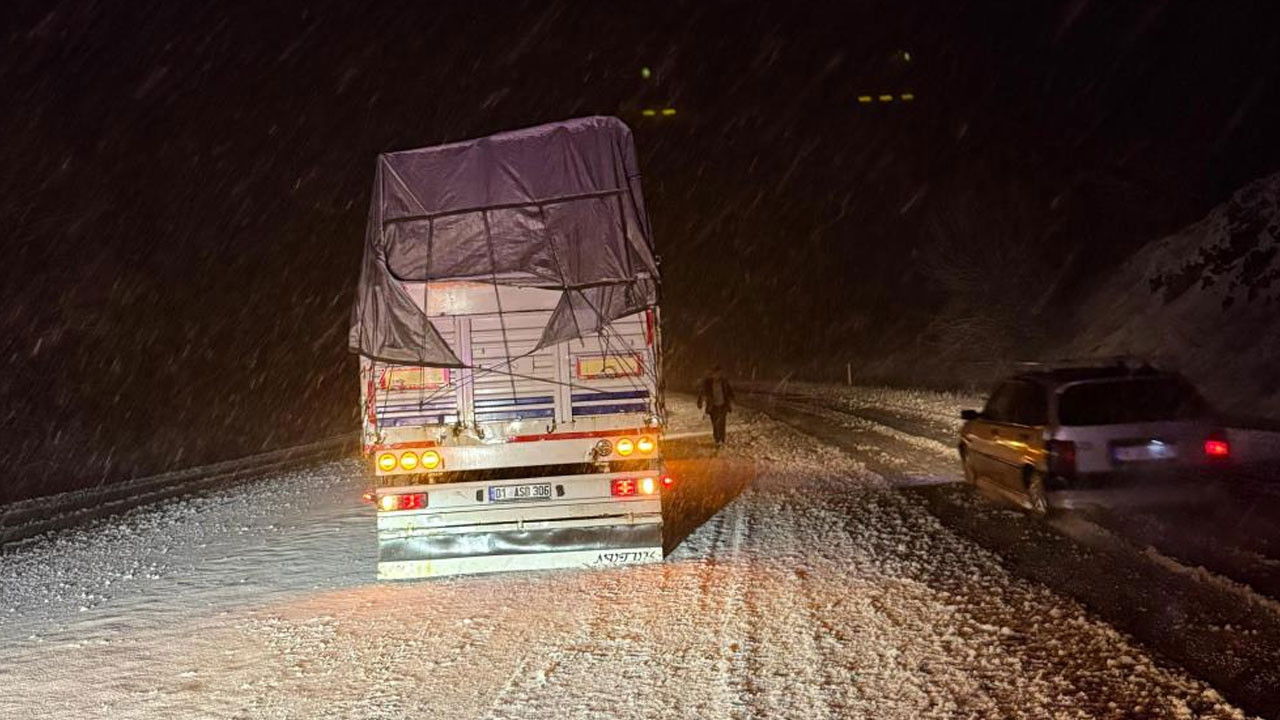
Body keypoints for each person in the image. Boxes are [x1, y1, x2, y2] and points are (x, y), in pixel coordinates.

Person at [696, 365, 734, 450]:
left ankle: (722, 439)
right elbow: (703, 392)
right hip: (713, 407)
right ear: (713, 374)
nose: (718, 375)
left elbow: (730, 392)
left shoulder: (724, 382)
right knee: (715, 424)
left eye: (720, 373)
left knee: (722, 423)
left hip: (723, 405)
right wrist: (700, 401)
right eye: (716, 373)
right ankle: (717, 439)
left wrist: (730, 401)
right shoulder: (708, 383)